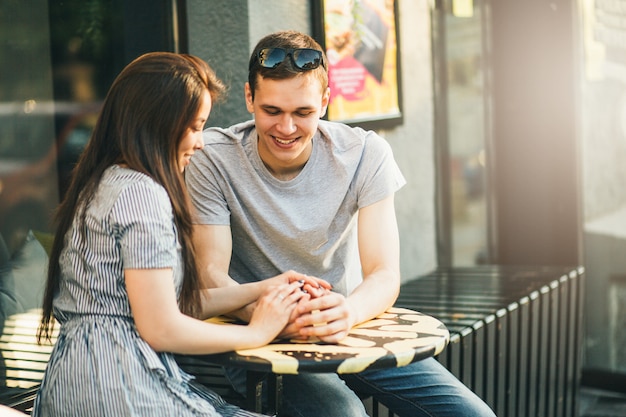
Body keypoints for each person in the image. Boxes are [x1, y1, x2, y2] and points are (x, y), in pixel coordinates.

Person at [185, 31, 496, 417]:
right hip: (255, 336)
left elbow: (384, 273)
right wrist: (274, 318)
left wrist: (346, 313)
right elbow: (211, 278)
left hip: (345, 322)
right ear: (249, 97)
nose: (286, 128)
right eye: (272, 111)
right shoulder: (212, 158)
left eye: (303, 112)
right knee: (343, 414)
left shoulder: (365, 153)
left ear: (326, 101)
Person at [34, 51, 328, 417]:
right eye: (193, 126)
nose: (201, 141)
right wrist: (257, 332)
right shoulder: (141, 193)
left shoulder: (105, 181)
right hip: (122, 387)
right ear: (155, 123)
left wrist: (265, 287)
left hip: (79, 382)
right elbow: (161, 327)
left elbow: (161, 305)